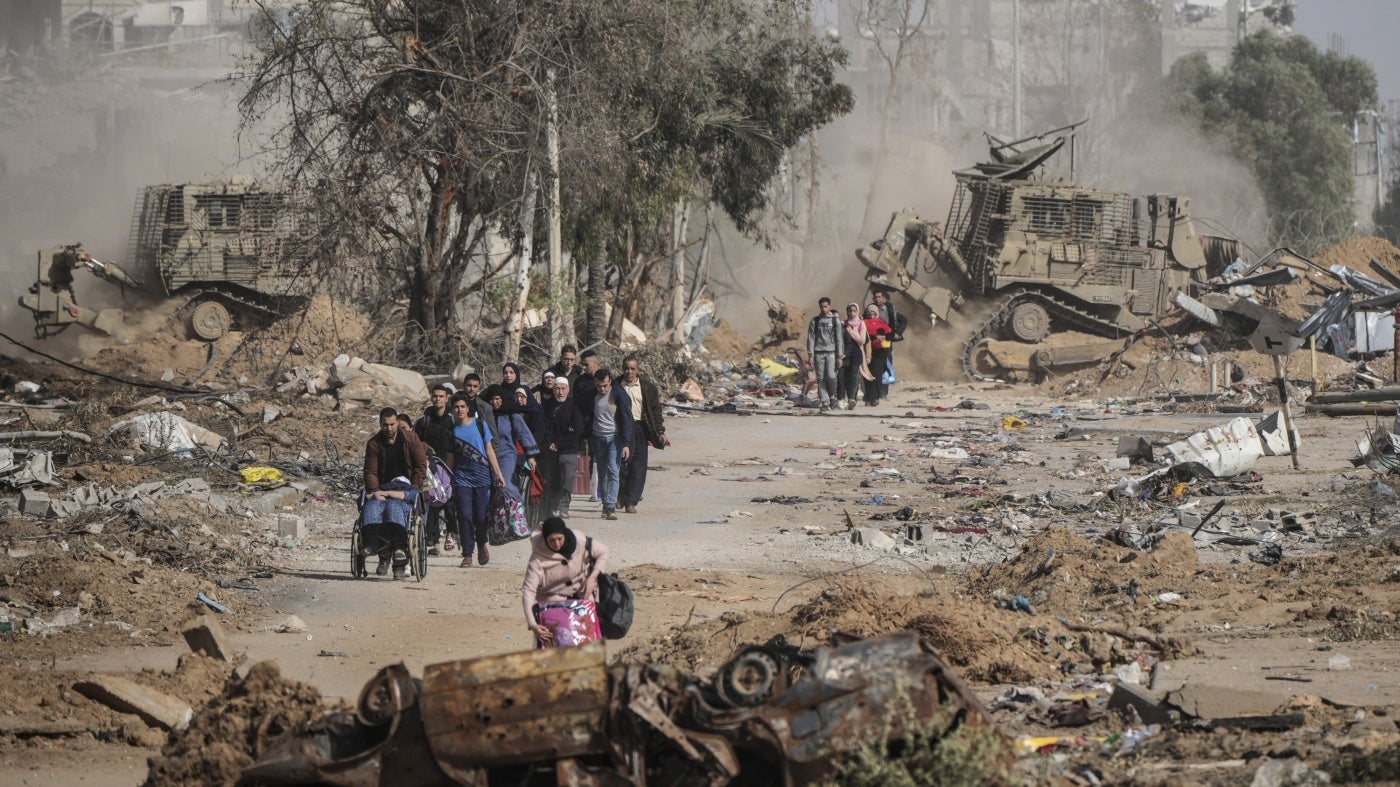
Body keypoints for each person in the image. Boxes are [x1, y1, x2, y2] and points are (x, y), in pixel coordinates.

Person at [362, 407, 429, 579]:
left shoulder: (411, 439)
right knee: (373, 506)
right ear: (380, 423)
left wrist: (414, 489)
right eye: (385, 425)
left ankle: (400, 552)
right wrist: (375, 491)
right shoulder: (374, 444)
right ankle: (372, 544)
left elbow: (421, 467)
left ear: (397, 423)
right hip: (383, 488)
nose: (389, 428)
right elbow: (370, 471)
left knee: (394, 507)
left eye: (392, 424)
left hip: (405, 489)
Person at [521, 517, 609, 648]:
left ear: (565, 534)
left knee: (588, 648)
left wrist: (592, 577)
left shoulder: (581, 542)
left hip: (583, 602)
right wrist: (532, 624)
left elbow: (603, 552)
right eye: (551, 540)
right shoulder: (538, 558)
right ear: (545, 539)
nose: (556, 544)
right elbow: (528, 590)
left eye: (559, 539)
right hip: (552, 607)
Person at [446, 393, 507, 568]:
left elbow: (489, 451)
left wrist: (498, 474)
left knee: (481, 517)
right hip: (461, 480)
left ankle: (482, 543)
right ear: (452, 409)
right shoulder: (451, 432)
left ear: (467, 408)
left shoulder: (481, 426)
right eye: (456, 407)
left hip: (483, 479)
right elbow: (450, 459)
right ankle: (467, 554)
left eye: (462, 406)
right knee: (465, 516)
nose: (459, 410)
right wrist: (449, 480)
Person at [616, 355, 666, 514]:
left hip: (640, 428)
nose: (628, 371)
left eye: (632, 368)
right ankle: (621, 496)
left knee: (638, 465)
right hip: (621, 428)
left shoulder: (647, 387)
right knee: (621, 464)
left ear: (637, 370)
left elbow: (656, 411)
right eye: (626, 368)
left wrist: (660, 432)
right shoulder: (616, 385)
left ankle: (631, 501)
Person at [413, 384, 458, 555]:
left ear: (447, 398)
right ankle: (433, 541)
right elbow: (416, 442)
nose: (438, 399)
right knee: (431, 500)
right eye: (435, 396)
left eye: (441, 396)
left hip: (450, 466)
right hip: (430, 467)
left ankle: (451, 533)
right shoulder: (424, 421)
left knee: (451, 501)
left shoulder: (453, 419)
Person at [582, 368, 632, 520]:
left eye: (604, 385)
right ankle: (605, 503)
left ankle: (611, 506)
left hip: (614, 438)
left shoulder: (618, 395)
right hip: (597, 438)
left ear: (610, 381)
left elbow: (625, 419)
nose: (602, 389)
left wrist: (626, 443)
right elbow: (586, 415)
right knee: (602, 473)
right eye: (599, 386)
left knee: (613, 471)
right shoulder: (591, 396)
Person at [485, 386, 540, 499]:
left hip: (507, 454)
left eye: (497, 399)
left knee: (503, 483)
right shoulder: (485, 417)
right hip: (488, 456)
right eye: (491, 399)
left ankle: (518, 508)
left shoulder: (511, 415)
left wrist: (531, 456)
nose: (494, 402)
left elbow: (523, 434)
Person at [545, 376, 584, 518]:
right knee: (554, 481)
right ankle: (552, 506)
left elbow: (576, 430)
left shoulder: (574, 406)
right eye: (557, 388)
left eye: (563, 388)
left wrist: (558, 443)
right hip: (551, 451)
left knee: (567, 480)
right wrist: (550, 442)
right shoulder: (548, 406)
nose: (560, 392)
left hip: (569, 450)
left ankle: (564, 507)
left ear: (568, 390)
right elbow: (545, 427)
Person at [806, 296, 842, 411]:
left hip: (831, 352)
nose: (823, 309)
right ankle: (824, 402)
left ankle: (832, 396)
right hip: (818, 353)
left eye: (825, 306)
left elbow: (839, 339)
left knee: (831, 376)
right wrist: (810, 355)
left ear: (829, 306)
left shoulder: (834, 321)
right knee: (821, 378)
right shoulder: (815, 321)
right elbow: (811, 338)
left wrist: (839, 356)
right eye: (821, 307)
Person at [871, 290, 907, 401]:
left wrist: (898, 333)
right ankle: (875, 393)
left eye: (879, 297)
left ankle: (883, 393)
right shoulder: (871, 310)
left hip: (887, 342)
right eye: (876, 297)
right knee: (875, 368)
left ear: (884, 298)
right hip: (874, 343)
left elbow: (904, 320)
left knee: (886, 367)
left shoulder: (890, 310)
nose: (877, 299)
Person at [839, 303, 874, 410]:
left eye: (854, 311)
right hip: (845, 354)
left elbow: (862, 340)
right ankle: (842, 398)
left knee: (854, 376)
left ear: (857, 311)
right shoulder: (844, 324)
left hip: (857, 353)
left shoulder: (861, 324)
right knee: (844, 376)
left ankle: (851, 399)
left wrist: (852, 331)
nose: (852, 313)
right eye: (850, 311)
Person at [863, 304, 894, 407]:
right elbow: (863, 334)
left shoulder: (882, 323)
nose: (872, 316)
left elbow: (890, 334)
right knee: (867, 375)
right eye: (870, 314)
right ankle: (868, 397)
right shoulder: (863, 323)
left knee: (877, 374)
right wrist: (874, 336)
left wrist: (883, 337)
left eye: (874, 314)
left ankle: (875, 397)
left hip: (880, 352)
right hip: (867, 351)